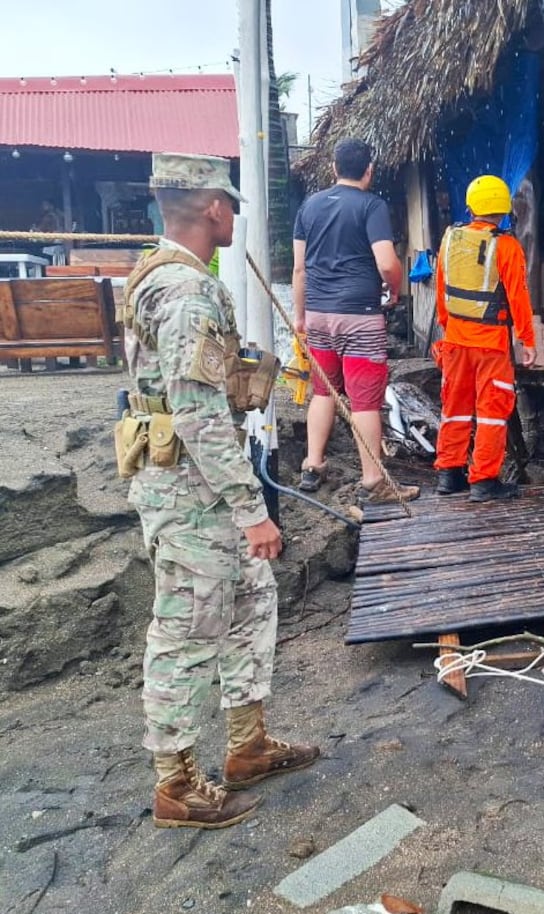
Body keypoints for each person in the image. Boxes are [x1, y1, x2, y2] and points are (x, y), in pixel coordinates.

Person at [122, 152, 319, 829]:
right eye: (231, 204)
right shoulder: (184, 290)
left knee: (246, 602)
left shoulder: (173, 277)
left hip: (197, 481)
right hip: (190, 492)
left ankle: (246, 744)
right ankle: (175, 784)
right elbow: (198, 410)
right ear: (213, 208)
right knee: (186, 629)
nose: (234, 214)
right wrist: (250, 510)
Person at [292, 137, 405, 500]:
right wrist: (396, 287)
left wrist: (300, 317)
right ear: (369, 170)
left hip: (318, 315)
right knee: (364, 401)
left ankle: (313, 465)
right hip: (359, 317)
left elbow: (298, 270)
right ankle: (373, 480)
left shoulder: (309, 206)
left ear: (334, 168)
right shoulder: (372, 206)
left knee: (324, 391)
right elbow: (386, 262)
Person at [433, 174, 537, 502]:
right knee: (492, 410)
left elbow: (441, 288)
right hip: (490, 344)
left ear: (471, 205)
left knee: (455, 406)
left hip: (455, 340)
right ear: (504, 209)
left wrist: (447, 326)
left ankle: (449, 475)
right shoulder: (506, 246)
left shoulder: (450, 238)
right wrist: (528, 340)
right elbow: (519, 296)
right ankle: (484, 481)